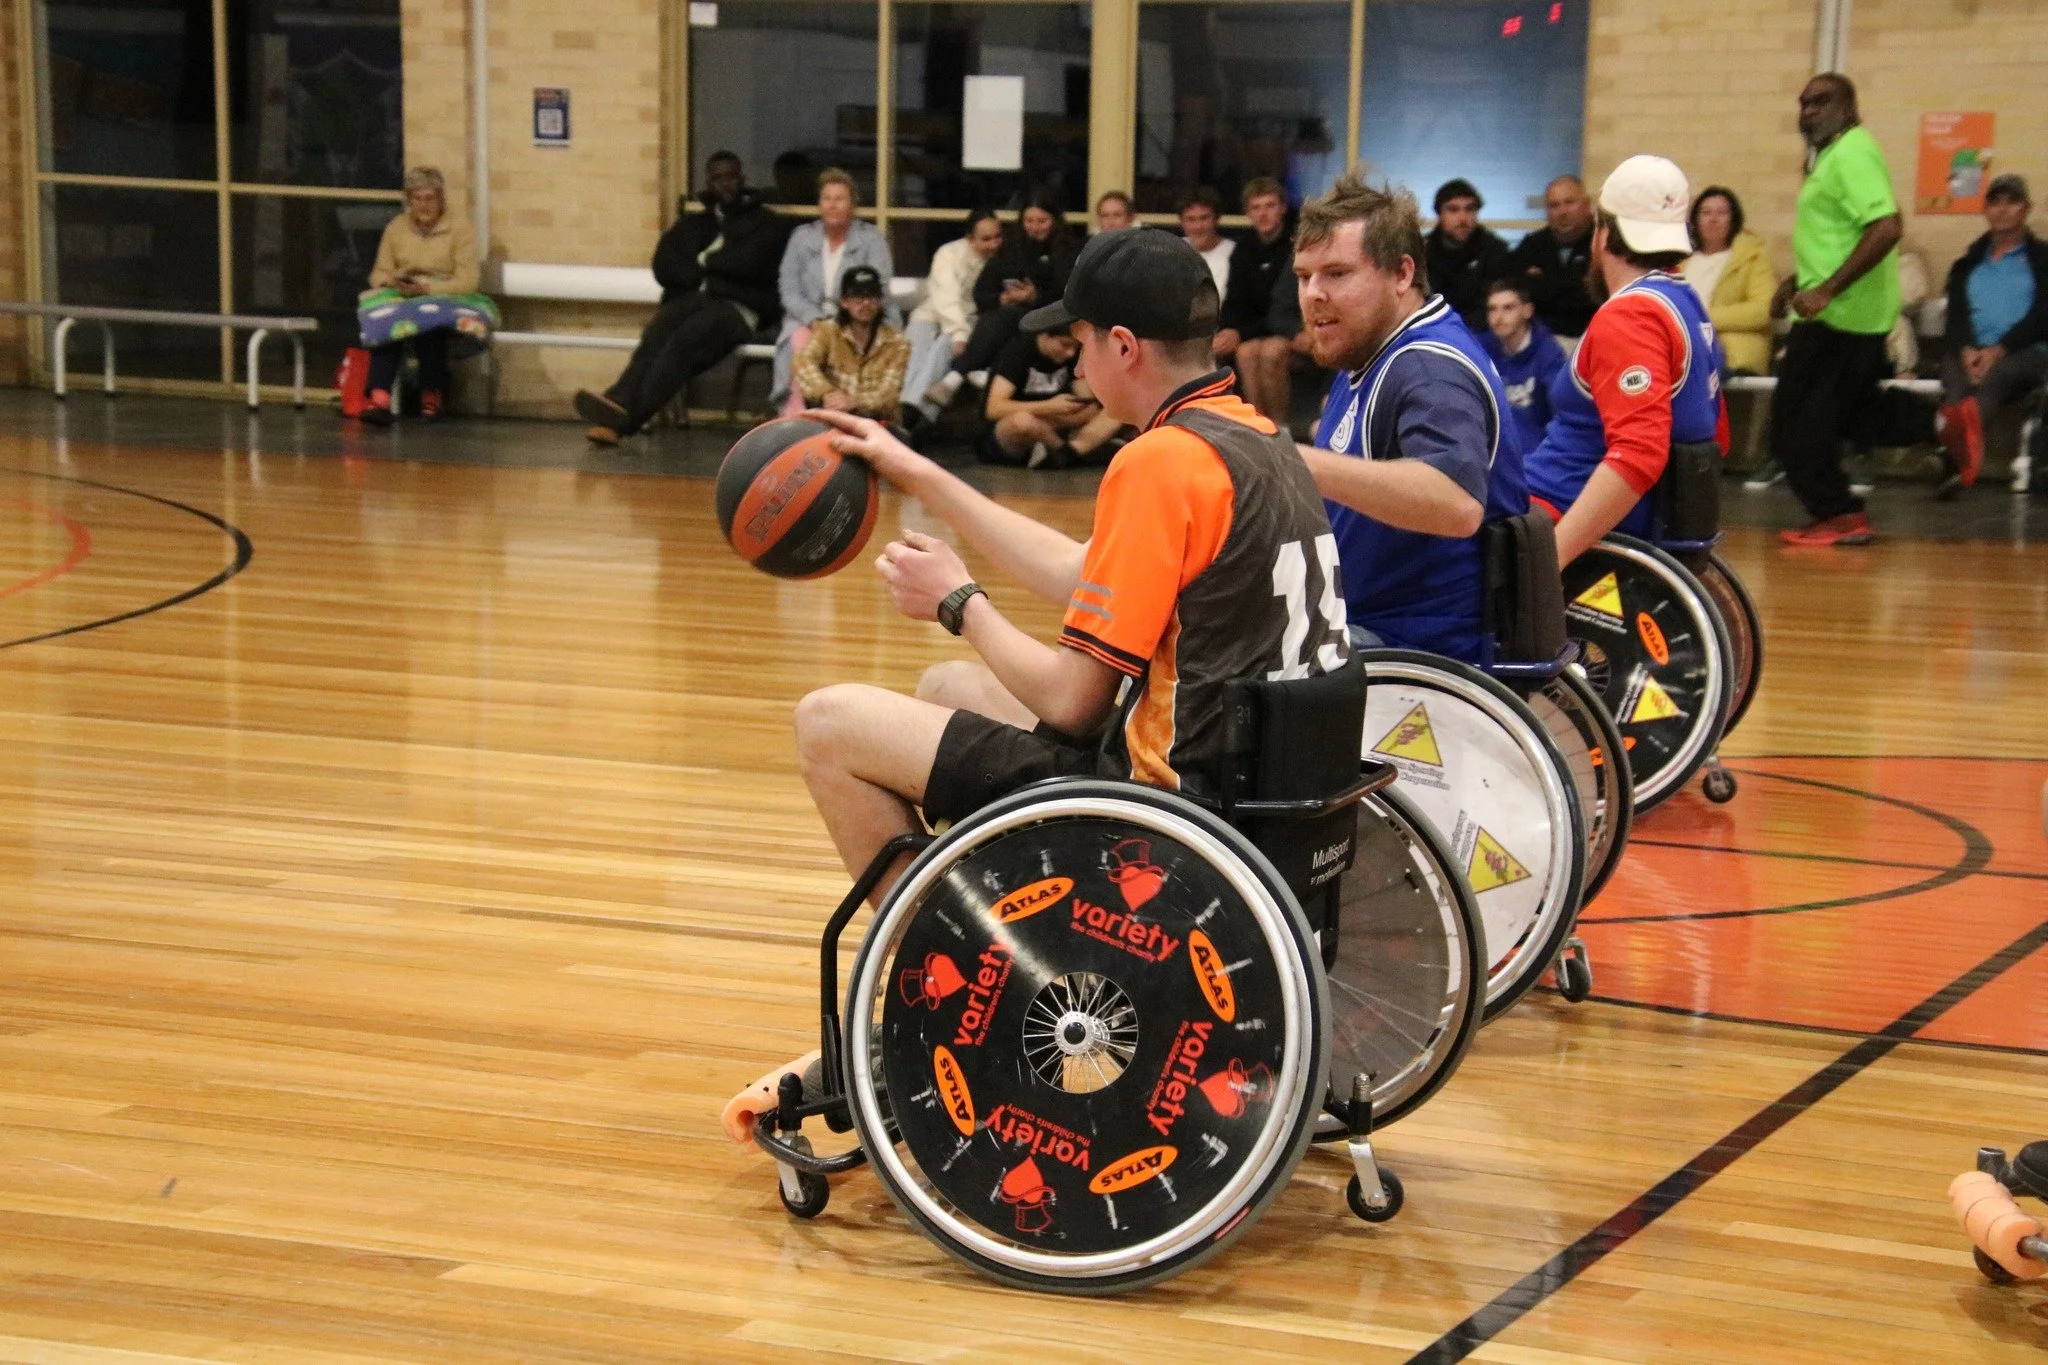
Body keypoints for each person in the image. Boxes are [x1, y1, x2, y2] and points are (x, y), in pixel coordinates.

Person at [789, 227, 1349, 895]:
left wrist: (959, 602)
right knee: (948, 686)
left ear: (1122, 346)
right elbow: (1080, 569)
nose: (1077, 364)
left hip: (1164, 809)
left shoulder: (1160, 462)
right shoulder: (1256, 437)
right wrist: (915, 469)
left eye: (1081, 342)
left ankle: (953, 949)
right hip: (1258, 791)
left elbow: (1072, 702)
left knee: (825, 722)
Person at [1292, 170, 1529, 663]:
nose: (1314, 293)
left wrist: (1294, 460)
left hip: (1412, 650)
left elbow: (1456, 501)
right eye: (1303, 276)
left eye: (1336, 273)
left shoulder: (1427, 366)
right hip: (1364, 624)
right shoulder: (1371, 349)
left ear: (1401, 274)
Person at [1523, 156, 1728, 568]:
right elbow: (1717, 434)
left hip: (1554, 510)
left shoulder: (1630, 317)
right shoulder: (1686, 302)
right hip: (1582, 501)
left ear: (1603, 234)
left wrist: (1549, 560)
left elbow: (1637, 455)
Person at [1768, 73, 1902, 546]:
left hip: (1839, 317)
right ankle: (1945, 422)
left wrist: (1825, 290)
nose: (1808, 111)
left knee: (1792, 428)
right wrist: (1796, 282)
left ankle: (1840, 515)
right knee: (1847, 416)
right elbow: (1834, 238)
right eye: (1804, 103)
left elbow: (1886, 227)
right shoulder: (1831, 157)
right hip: (1837, 313)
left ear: (1849, 105)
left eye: (1821, 102)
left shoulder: (1852, 152)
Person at [574, 151, 786, 444]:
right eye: (717, 177)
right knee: (657, 332)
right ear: (708, 182)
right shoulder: (694, 223)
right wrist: (711, 276)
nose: (725, 184)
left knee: (683, 344)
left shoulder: (765, 224)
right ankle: (618, 400)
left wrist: (707, 271)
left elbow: (749, 264)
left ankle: (624, 422)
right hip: (695, 303)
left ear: (742, 179)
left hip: (740, 309)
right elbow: (665, 263)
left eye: (731, 176)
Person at [1936, 174, 2048, 492]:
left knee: (1996, 377)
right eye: (1995, 203)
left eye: (2011, 202)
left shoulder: (2042, 261)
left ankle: (1951, 460)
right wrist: (1967, 349)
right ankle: (1957, 466)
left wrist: (2000, 349)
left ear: (2026, 209)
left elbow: (2043, 315)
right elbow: (1955, 317)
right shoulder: (1966, 265)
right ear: (1985, 210)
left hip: (2027, 353)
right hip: (1972, 350)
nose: (2002, 210)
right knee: (1956, 383)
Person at [924, 196, 1080, 411]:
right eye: (1029, 221)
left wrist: (1036, 296)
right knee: (1003, 314)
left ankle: (957, 374)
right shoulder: (1011, 248)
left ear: (1055, 220)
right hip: (1007, 320)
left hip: (1051, 320)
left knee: (1008, 316)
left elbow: (1069, 295)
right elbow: (982, 292)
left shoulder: (1068, 250)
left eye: (1041, 221)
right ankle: (976, 368)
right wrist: (1002, 298)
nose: (1034, 227)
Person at [357, 167, 484, 425]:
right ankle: (379, 397)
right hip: (404, 294)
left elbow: (468, 281)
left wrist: (427, 289)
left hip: (441, 294)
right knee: (388, 325)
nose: (424, 205)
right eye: (417, 198)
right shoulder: (396, 228)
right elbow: (378, 273)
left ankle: (431, 395)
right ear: (409, 200)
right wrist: (392, 281)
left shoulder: (459, 229)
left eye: (430, 198)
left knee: (430, 325)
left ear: (441, 199)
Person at [772, 169, 894, 411]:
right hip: (808, 319)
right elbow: (788, 289)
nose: (832, 205)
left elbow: (879, 286)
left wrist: (844, 318)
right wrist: (814, 319)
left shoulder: (872, 239)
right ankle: (795, 414)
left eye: (840, 199)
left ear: (853, 204)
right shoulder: (801, 238)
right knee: (800, 341)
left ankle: (843, 412)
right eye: (827, 199)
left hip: (858, 317)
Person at [903, 210, 1003, 424]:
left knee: (945, 346)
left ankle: (911, 414)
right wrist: (958, 332)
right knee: (915, 345)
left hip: (973, 320)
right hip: (933, 311)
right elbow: (945, 297)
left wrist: (959, 335)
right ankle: (905, 410)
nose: (994, 244)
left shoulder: (1004, 258)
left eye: (997, 237)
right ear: (970, 239)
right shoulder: (948, 253)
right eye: (986, 239)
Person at [1215, 177, 1302, 423]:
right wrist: (1230, 330)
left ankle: (1281, 428)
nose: (1263, 214)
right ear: (1248, 213)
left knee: (1271, 351)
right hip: (1255, 332)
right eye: (1256, 207)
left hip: (1291, 327)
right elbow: (1234, 300)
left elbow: (1286, 306)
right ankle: (1261, 428)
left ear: (1282, 208)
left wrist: (1242, 332)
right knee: (1245, 353)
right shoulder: (1243, 250)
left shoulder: (1296, 246)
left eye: (1270, 206)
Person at [980, 320, 1122, 468]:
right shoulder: (1018, 352)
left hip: (1056, 422)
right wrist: (1049, 406)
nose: (1070, 353)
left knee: (1114, 411)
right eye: (1064, 345)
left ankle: (1068, 453)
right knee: (1023, 422)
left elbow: (1087, 402)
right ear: (1044, 336)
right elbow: (993, 409)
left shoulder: (1071, 357)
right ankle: (1068, 452)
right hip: (1014, 428)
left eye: (1075, 347)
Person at [792, 266, 911, 423]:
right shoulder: (827, 331)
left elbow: (888, 394)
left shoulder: (897, 341)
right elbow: (802, 362)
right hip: (833, 419)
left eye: (872, 296)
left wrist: (853, 402)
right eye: (858, 296)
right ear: (844, 302)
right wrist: (827, 393)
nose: (866, 303)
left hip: (877, 425)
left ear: (880, 301)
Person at [1682, 185, 1778, 375]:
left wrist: (1703, 318)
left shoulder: (1752, 257)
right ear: (1695, 220)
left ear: (1733, 218)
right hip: (1681, 345)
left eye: (1722, 213)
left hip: (1730, 354)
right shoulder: (1680, 260)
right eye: (1706, 212)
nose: (1713, 219)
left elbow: (1763, 310)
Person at [1479, 278, 1568, 458]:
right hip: (1488, 456)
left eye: (1508, 308)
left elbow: (1562, 414)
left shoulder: (1549, 354)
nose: (1499, 317)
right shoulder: (1479, 348)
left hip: (1535, 459)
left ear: (1527, 311)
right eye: (1492, 309)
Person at [1510, 175, 1598, 344]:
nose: (1562, 212)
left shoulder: (1603, 244)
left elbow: (1596, 298)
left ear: (1586, 205)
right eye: (1554, 205)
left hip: (1592, 339)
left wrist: (1546, 284)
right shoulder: (1532, 245)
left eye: (1569, 202)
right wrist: (1575, 284)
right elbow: (1519, 297)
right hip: (1541, 343)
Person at [1425, 178, 1512, 330]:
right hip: (1433, 332)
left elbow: (1494, 308)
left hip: (1482, 335)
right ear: (1439, 214)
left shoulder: (1495, 251)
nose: (1463, 218)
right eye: (1453, 209)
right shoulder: (1422, 252)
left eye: (1470, 209)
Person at [1179, 190, 1236, 298]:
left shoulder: (1235, 254)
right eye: (1191, 219)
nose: (1198, 226)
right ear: (1181, 222)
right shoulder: (1169, 252)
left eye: (1204, 218)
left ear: (1217, 219)